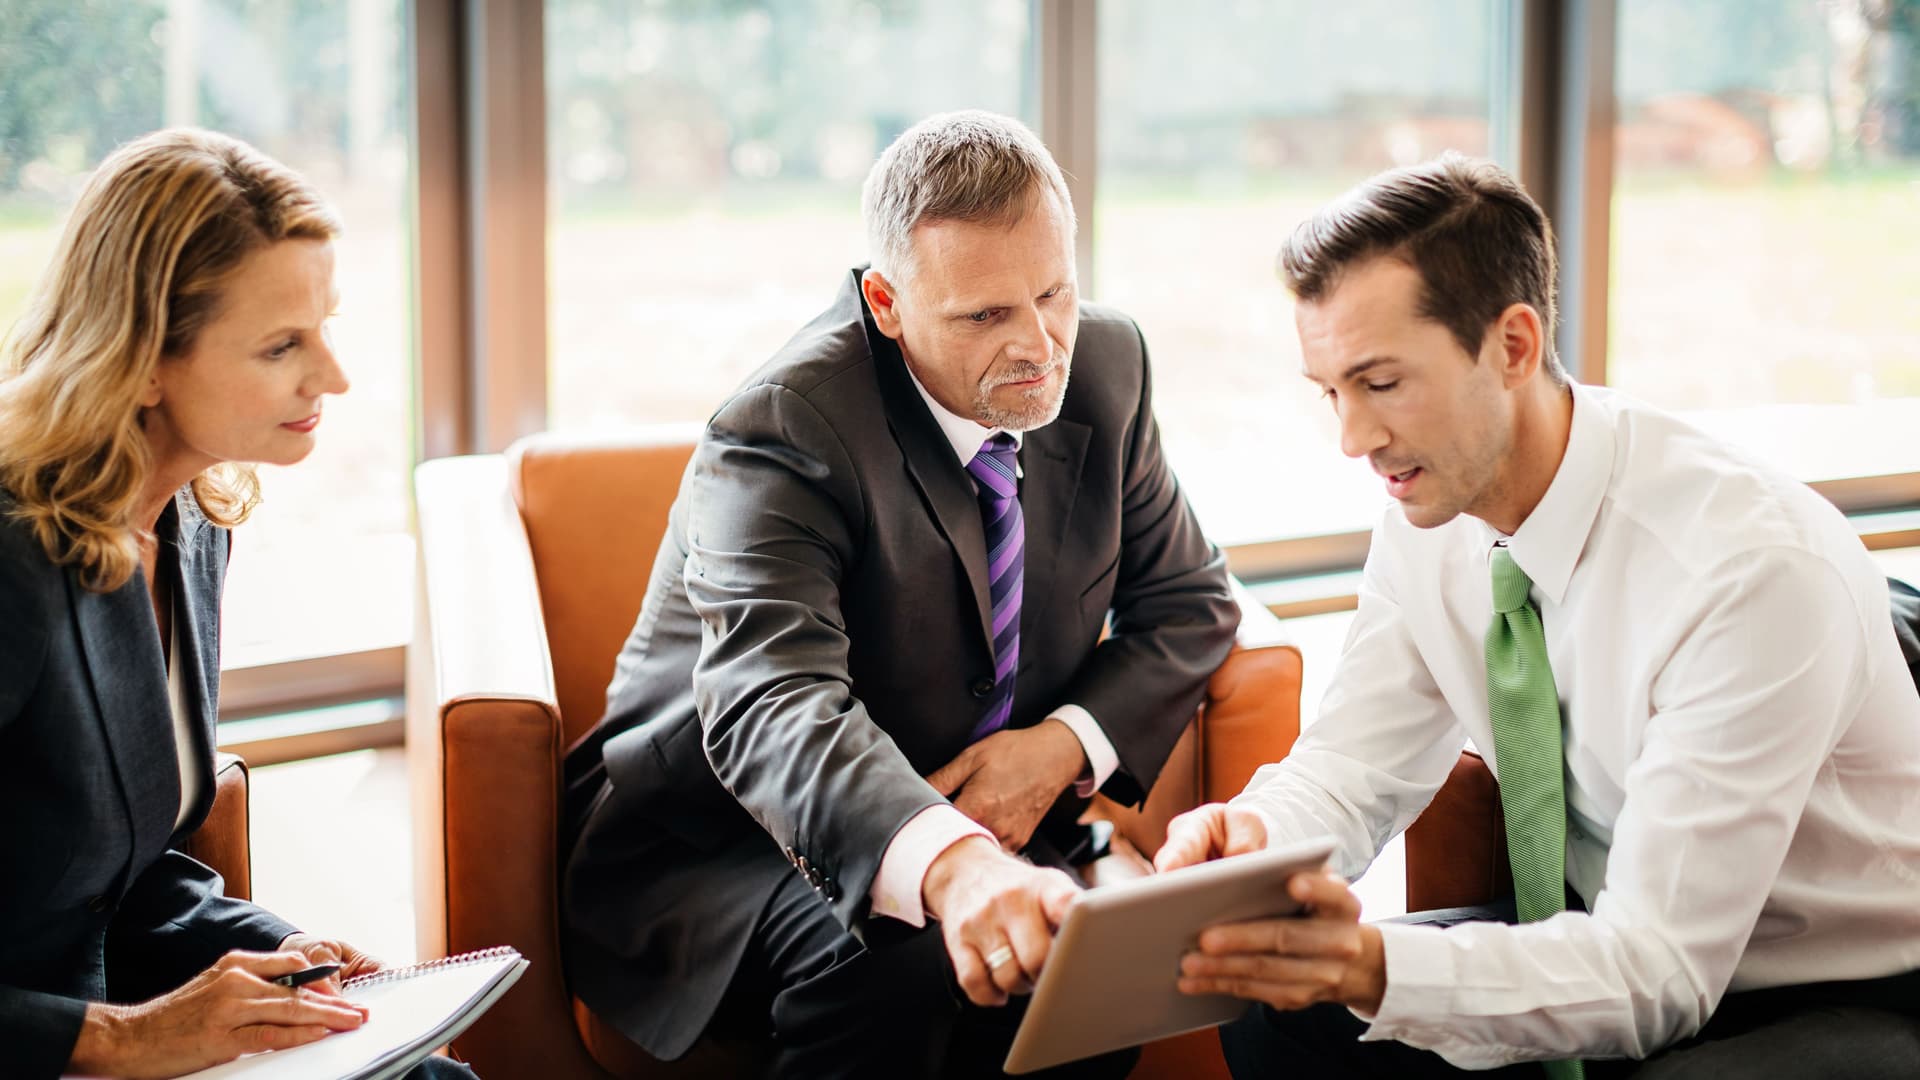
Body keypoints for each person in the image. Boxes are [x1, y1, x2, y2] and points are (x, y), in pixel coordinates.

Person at [1155, 154, 1920, 1078]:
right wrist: (1254, 841)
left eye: (1382, 383)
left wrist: (1375, 965)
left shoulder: (1747, 573)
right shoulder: (1429, 513)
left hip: (1829, 980)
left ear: (1513, 345)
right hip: (1605, 930)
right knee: (1273, 1013)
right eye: (1330, 392)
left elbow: (1660, 972)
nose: (1352, 440)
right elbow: (1355, 766)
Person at [559, 110, 1238, 1079]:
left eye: (1054, 292)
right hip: (729, 835)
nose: (1040, 345)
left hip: (989, 805)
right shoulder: (785, 427)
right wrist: (953, 865)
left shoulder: (1107, 366)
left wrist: (1056, 750)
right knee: (904, 956)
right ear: (884, 301)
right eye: (984, 316)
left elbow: (1191, 600)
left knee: (1084, 969)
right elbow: (770, 703)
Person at [0, 129, 477, 1080]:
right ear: (137, 362)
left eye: (326, 325)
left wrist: (278, 954)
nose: (333, 376)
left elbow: (114, 875)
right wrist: (131, 1039)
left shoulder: (191, 515)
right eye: (280, 345)